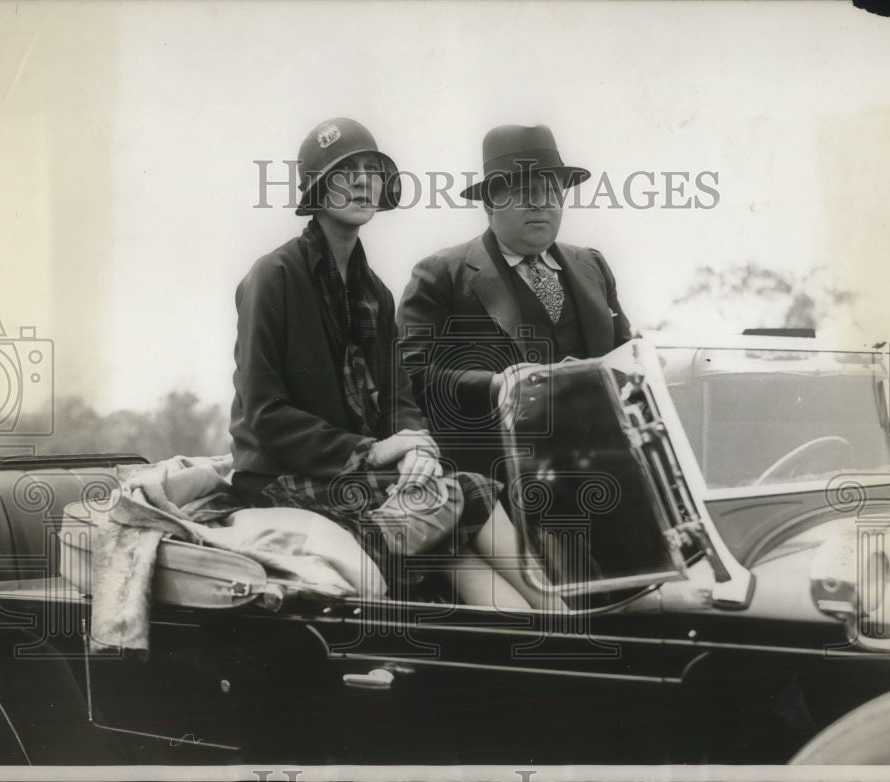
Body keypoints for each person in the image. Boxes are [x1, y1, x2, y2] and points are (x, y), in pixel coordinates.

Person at [229, 118, 542, 609]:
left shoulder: (374, 291)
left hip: (350, 475)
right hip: (279, 478)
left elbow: (399, 398)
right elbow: (265, 415)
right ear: (315, 191)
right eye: (343, 171)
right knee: (456, 497)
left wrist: (417, 448)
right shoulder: (273, 277)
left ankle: (558, 622)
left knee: (458, 500)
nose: (360, 181)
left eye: (370, 169)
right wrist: (372, 452)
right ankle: (557, 630)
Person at [396, 124, 633, 481]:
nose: (541, 202)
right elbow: (408, 377)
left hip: (602, 472)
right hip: (498, 479)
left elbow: (626, 355)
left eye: (551, 190)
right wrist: (499, 385)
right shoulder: (441, 273)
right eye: (524, 191)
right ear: (490, 202)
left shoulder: (593, 264)